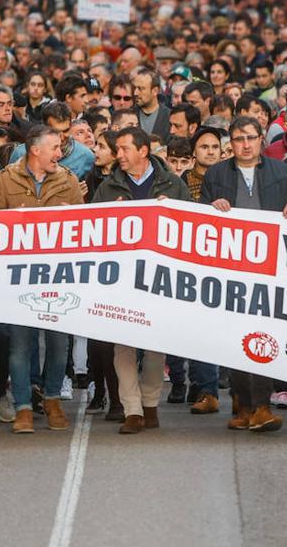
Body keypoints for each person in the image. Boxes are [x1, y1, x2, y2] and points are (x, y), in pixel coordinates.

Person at [202, 115, 287, 432]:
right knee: (234, 339)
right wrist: (210, 206)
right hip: (230, 268)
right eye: (237, 139)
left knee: (261, 336)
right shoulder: (216, 173)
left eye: (250, 138)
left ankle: (261, 406)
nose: (245, 145)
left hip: (269, 268)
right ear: (229, 144)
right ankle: (242, 406)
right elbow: (200, 215)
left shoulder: (281, 171)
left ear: (261, 138)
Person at [91, 127, 191, 434]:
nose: (118, 154)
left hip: (160, 279)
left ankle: (150, 404)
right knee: (122, 346)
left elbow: (192, 226)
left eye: (123, 149)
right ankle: (132, 410)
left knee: (154, 346)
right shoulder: (108, 188)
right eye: (117, 149)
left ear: (143, 151)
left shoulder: (173, 185)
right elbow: (93, 228)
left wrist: (171, 213)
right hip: (121, 278)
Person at [0, 124, 84, 433]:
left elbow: (85, 233)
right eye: (55, 147)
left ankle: (53, 398)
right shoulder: (4, 180)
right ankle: (24, 407)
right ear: (35, 150)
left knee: (58, 342)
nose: (60, 153)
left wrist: (74, 218)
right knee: (20, 344)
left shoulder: (68, 182)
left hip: (58, 277)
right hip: (19, 277)